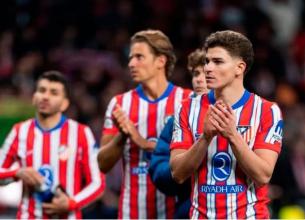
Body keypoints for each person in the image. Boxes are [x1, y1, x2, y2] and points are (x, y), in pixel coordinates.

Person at [170, 30, 283, 219]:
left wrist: (232, 135)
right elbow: (178, 173)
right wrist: (205, 138)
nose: (208, 68)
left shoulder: (267, 111)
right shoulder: (187, 109)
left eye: (218, 62)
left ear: (239, 68)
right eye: (207, 61)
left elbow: (263, 175)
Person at [97, 29, 192, 219]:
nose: (131, 63)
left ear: (160, 61)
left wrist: (144, 142)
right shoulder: (120, 104)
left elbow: (194, 157)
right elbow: (103, 164)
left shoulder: (187, 101)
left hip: (178, 211)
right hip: (132, 211)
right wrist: (122, 135)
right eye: (130, 57)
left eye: (139, 57)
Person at [0, 71, 105, 219]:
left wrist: (71, 203)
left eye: (54, 92)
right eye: (41, 90)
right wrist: (16, 173)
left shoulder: (81, 133)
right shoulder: (19, 131)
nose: (45, 96)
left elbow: (97, 184)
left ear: (64, 104)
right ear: (34, 97)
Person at [148, 49, 208, 218]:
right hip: (188, 211)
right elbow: (158, 169)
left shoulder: (242, 115)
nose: (199, 79)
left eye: (206, 73)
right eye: (196, 73)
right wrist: (181, 168)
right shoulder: (177, 120)